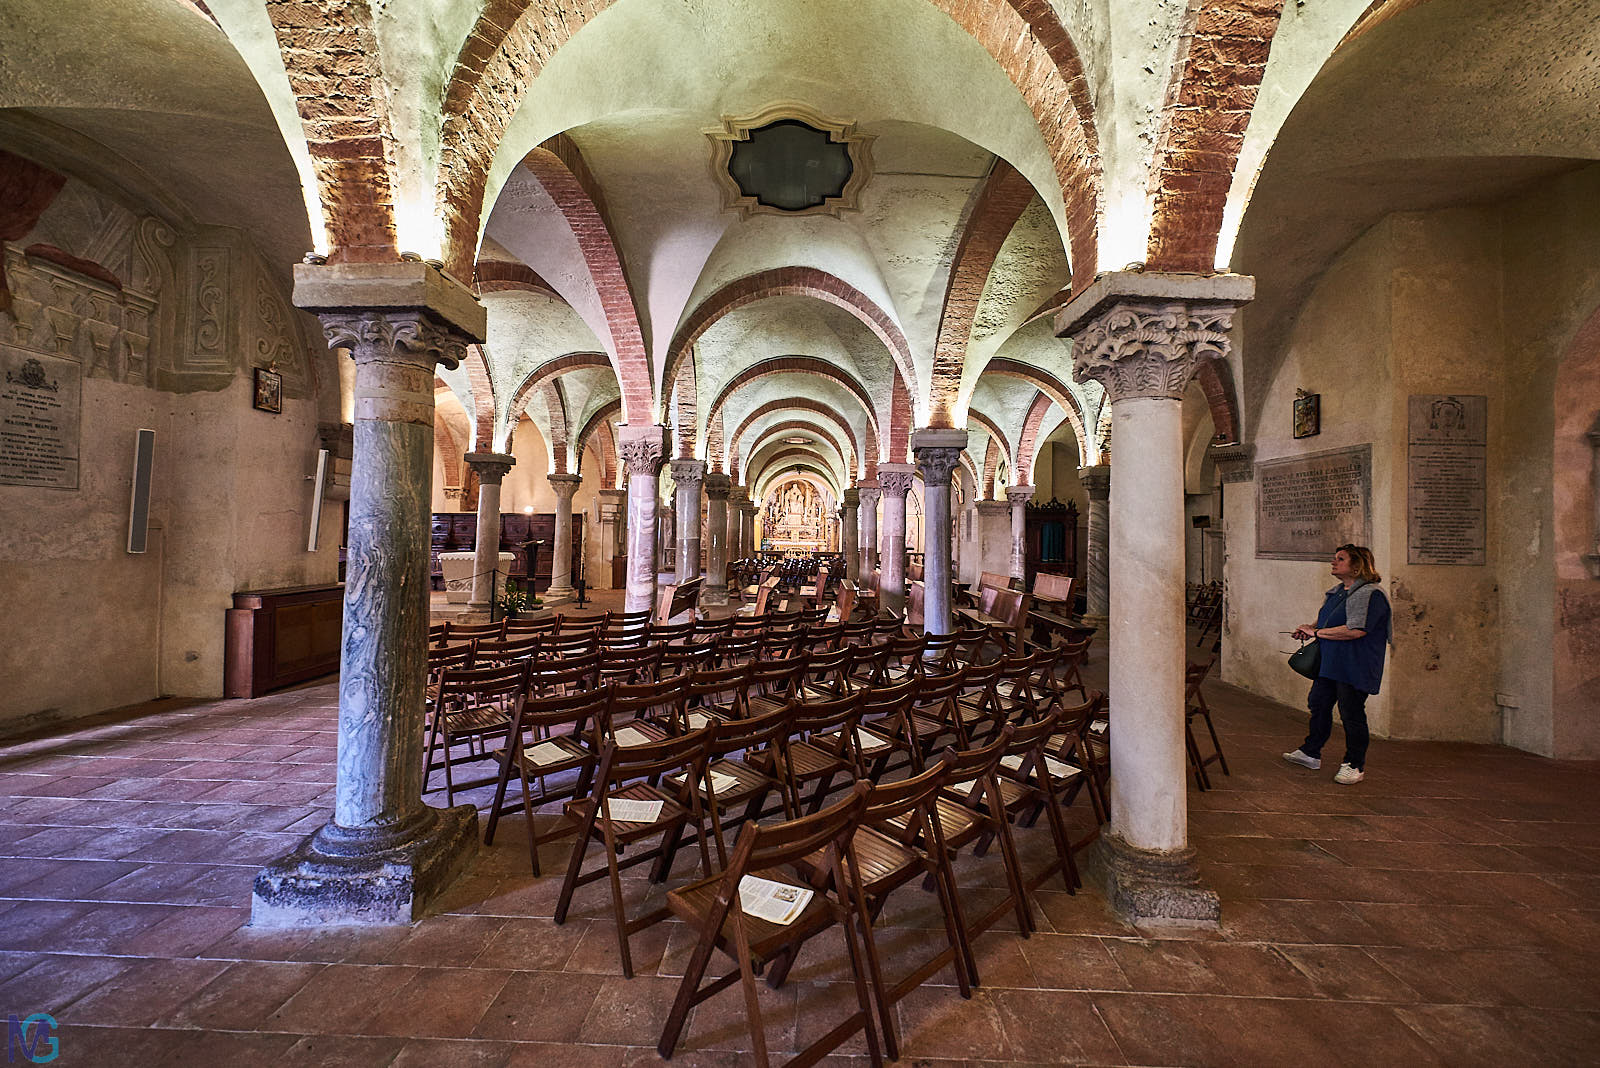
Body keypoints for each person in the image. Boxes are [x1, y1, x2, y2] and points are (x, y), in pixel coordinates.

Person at [1282, 544, 1391, 784]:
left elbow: (1356, 630)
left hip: (1355, 664)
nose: (1334, 562)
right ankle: (1311, 752)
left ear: (1356, 567)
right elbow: (1326, 620)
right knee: (1319, 703)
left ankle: (1354, 764)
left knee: (1351, 713)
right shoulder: (1338, 591)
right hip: (1331, 662)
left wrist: (1318, 634)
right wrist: (1309, 628)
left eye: (1340, 559)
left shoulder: (1370, 594)